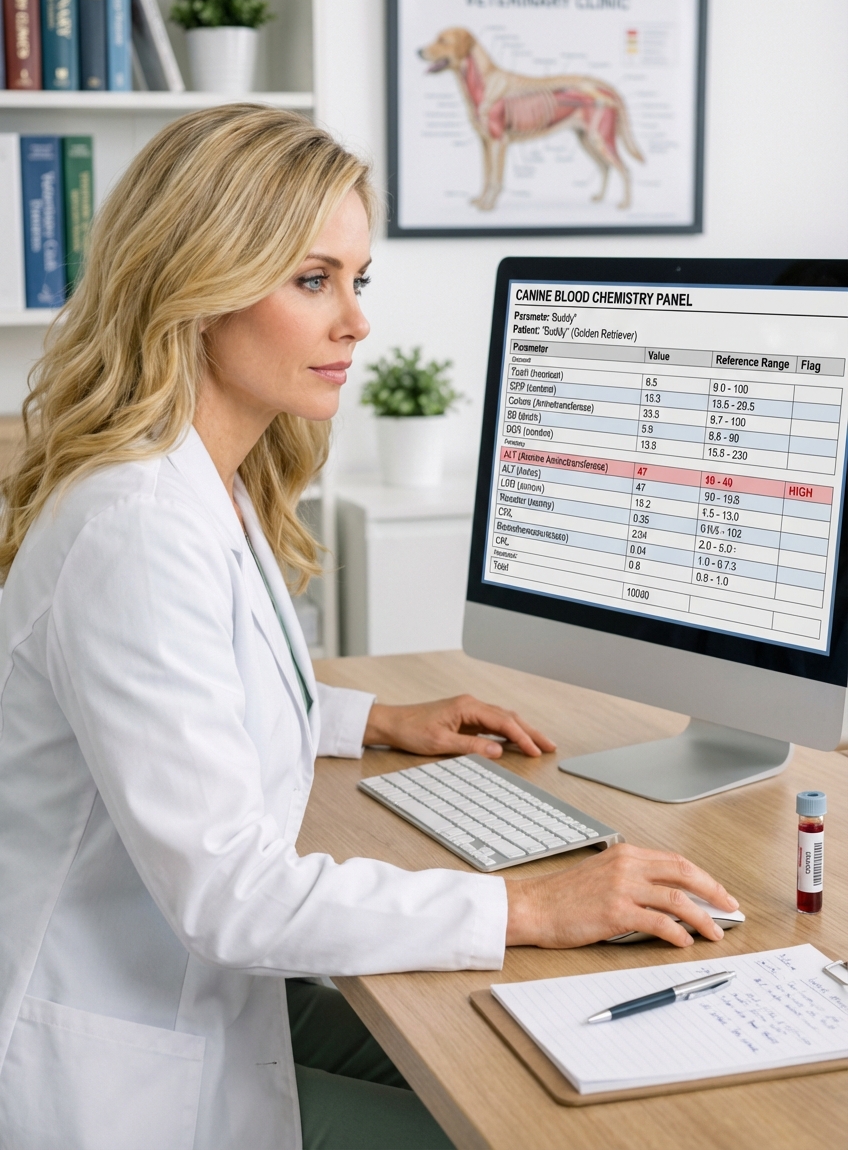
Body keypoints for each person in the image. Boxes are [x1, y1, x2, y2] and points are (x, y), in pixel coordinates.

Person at [0, 106, 737, 1150]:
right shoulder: (136, 528)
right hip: (117, 1061)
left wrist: (370, 718)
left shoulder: (199, 482)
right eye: (312, 280)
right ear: (195, 284)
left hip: (196, 997)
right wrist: (525, 905)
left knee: (508, 1062)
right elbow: (233, 898)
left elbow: (192, 698)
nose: (354, 322)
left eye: (358, 279)